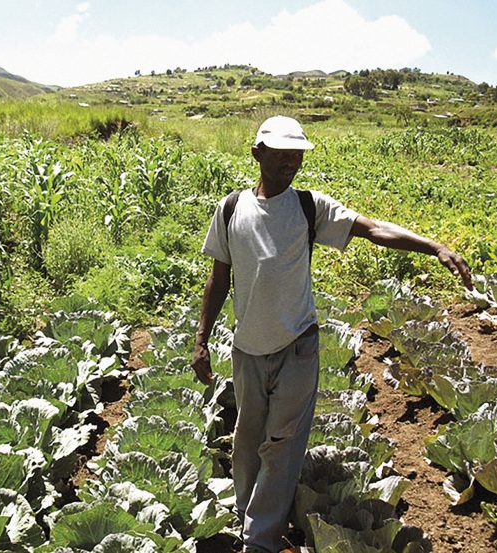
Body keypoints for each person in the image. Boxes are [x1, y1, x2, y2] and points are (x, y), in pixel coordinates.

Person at [191, 115, 472, 553]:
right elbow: (218, 277)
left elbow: (373, 229)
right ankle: (250, 514)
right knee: (248, 443)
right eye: (281, 154)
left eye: (296, 155)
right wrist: (202, 339)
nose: (289, 163)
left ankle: (260, 541)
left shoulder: (310, 207)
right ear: (257, 153)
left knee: (281, 446)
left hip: (297, 346)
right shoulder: (231, 208)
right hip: (247, 349)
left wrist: (433, 246)